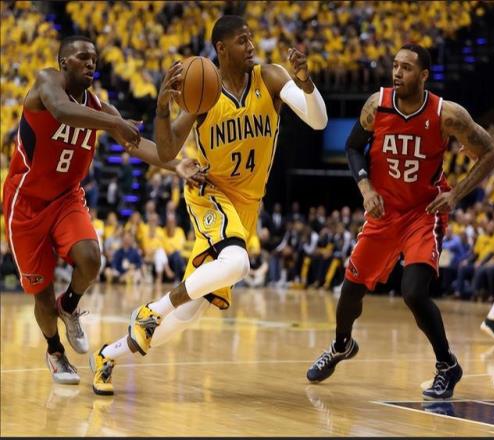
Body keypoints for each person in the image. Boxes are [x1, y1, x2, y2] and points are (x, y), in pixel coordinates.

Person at [90, 14, 328, 395]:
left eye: (251, 39)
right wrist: (162, 109)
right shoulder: (205, 90)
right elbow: (166, 150)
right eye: (242, 40)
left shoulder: (270, 77)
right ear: (221, 48)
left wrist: (306, 83)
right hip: (210, 193)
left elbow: (317, 121)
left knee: (186, 315)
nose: (251, 46)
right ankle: (152, 309)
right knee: (238, 264)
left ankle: (108, 354)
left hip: (247, 206)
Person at [2, 35, 204, 385]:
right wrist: (112, 123)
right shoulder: (47, 81)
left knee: (92, 259)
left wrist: (177, 165)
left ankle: (70, 306)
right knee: (42, 293)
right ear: (64, 63)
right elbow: (61, 110)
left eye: (94, 58)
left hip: (66, 197)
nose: (91, 63)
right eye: (82, 57)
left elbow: (136, 144)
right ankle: (55, 351)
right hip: (27, 202)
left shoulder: (100, 107)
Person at [306, 44, 494, 400]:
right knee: (350, 290)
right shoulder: (376, 105)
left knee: (413, 292)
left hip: (424, 214)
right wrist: (366, 188)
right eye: (395, 65)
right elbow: (352, 147)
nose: (397, 73)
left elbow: (490, 153)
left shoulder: (446, 114)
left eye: (406, 68)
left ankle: (447, 365)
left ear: (423, 75)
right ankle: (341, 345)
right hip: (384, 212)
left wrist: (455, 195)